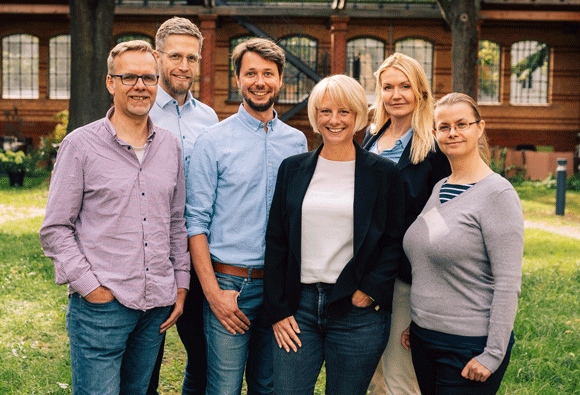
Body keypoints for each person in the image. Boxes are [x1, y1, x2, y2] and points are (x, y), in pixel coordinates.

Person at [39, 40, 190, 394]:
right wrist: (91, 288)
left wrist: (180, 287)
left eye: (149, 78)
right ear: (111, 83)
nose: (140, 86)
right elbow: (56, 228)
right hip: (102, 308)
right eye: (129, 77)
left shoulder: (169, 145)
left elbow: (175, 222)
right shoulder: (80, 145)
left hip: (156, 306)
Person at [264, 75, 406, 395]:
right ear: (315, 116)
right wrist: (278, 309)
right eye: (326, 111)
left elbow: (394, 240)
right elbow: (276, 241)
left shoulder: (383, 173)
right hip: (298, 306)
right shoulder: (292, 169)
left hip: (356, 311)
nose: (335, 120)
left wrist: (369, 290)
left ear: (357, 115)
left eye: (344, 111)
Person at [185, 38, 308, 395]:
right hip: (229, 285)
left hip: (278, 289)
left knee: (267, 385)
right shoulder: (212, 141)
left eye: (268, 73)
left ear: (280, 79)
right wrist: (213, 294)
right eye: (250, 73)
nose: (260, 81)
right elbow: (195, 223)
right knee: (222, 387)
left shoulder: (296, 142)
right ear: (237, 79)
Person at [402, 92, 524, 395]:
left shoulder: (497, 194)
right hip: (424, 338)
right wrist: (420, 324)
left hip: (469, 346)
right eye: (443, 127)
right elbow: (431, 257)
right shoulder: (442, 187)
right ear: (433, 134)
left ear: (479, 128)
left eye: (462, 124)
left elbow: (508, 283)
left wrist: (492, 354)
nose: (452, 133)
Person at [363, 52, 451, 395]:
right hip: (364, 274)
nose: (396, 95)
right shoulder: (371, 138)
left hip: (406, 279)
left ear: (420, 92)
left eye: (405, 86)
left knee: (401, 377)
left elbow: (444, 223)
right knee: (372, 373)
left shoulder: (433, 149)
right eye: (388, 87)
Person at [147, 17, 219, 395]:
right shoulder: (138, 108)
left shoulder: (208, 118)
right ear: (157, 56)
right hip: (152, 251)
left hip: (198, 251)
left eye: (192, 57)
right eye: (175, 55)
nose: (184, 66)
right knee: (148, 358)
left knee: (205, 354)